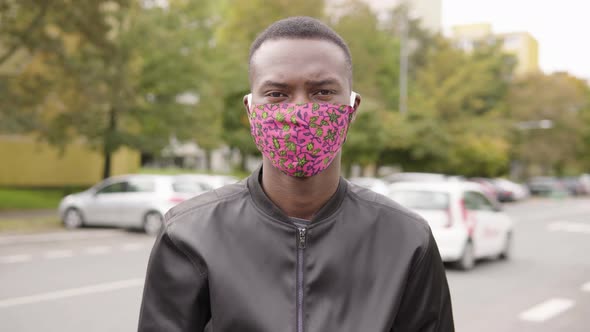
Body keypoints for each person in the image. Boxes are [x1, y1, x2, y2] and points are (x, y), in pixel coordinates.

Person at [138, 16, 454, 332]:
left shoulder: (407, 241)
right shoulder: (188, 235)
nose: (300, 112)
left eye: (322, 92)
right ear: (250, 111)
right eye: (277, 94)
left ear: (352, 108)